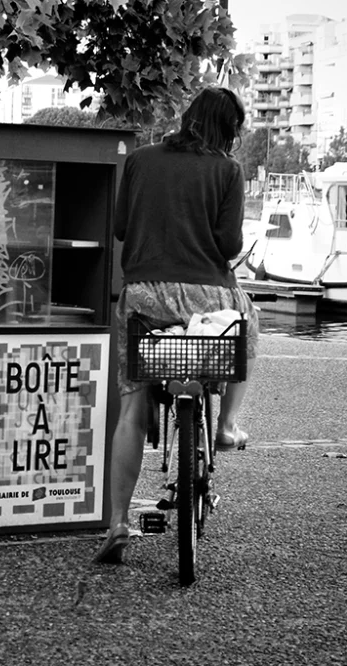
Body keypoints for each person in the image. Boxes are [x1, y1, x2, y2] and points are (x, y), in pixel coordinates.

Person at [93, 87, 260, 565]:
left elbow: (122, 227)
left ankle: (118, 522)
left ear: (188, 118)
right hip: (207, 295)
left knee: (130, 410)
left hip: (144, 295)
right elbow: (228, 246)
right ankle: (226, 426)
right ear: (228, 130)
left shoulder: (141, 160)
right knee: (248, 324)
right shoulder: (228, 171)